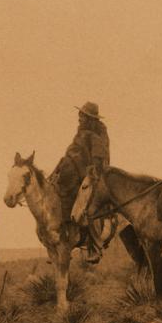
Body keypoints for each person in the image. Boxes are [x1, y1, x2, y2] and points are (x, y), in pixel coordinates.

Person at [50, 101, 110, 263]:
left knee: (87, 205)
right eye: (80, 115)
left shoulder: (97, 136)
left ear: (90, 118)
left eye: (83, 115)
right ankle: (63, 242)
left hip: (87, 176)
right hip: (72, 174)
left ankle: (94, 246)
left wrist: (90, 173)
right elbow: (70, 154)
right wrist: (57, 169)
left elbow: (98, 159)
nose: (79, 118)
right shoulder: (80, 133)